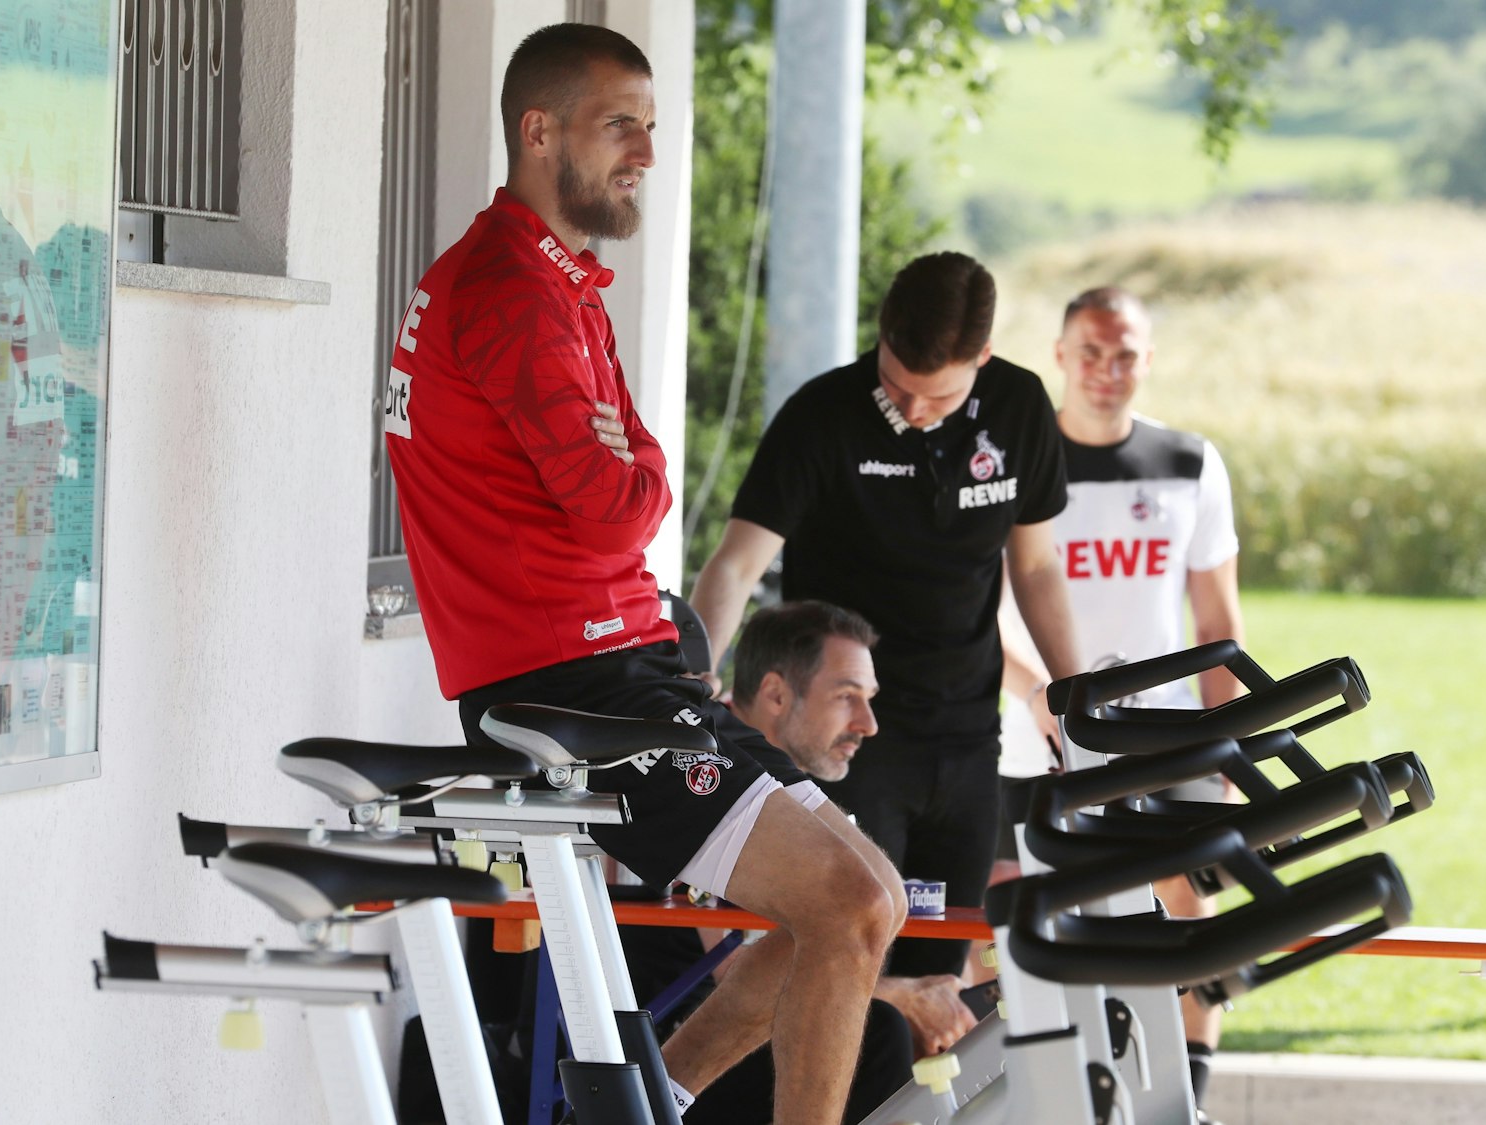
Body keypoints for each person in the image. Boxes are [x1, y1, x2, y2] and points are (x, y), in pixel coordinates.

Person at [384, 24, 903, 1122]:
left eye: (652, 127)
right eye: (620, 124)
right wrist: (641, 474)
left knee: (874, 894)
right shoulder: (510, 292)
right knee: (848, 900)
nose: (647, 154)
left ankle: (656, 1096)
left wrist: (640, 470)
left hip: (630, 665)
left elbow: (635, 470)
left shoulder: (556, 279)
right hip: (573, 683)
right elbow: (619, 505)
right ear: (539, 131)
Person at [692, 251, 1081, 979]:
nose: (912, 410)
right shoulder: (822, 414)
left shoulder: (1019, 405)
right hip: (845, 738)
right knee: (847, 963)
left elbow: (1036, 567)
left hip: (967, 735)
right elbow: (737, 563)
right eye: (897, 387)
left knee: (939, 975)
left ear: (983, 359)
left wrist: (1074, 692)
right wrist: (692, 677)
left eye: (937, 397)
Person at [992, 286, 1246, 1122]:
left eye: (1125, 354)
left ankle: (1186, 1103)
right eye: (1091, 353)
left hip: (1167, 738)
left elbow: (1218, 624)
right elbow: (978, 611)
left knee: (1193, 914)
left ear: (1148, 360)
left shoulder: (1189, 462)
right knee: (1016, 934)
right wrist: (1037, 694)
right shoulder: (1012, 463)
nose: (1107, 370)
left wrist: (1228, 753)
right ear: (1060, 356)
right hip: (1034, 740)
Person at [625, 600, 984, 1123]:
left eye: (869, 700)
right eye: (846, 696)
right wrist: (901, 996)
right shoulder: (698, 763)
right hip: (665, 1032)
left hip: (711, 1047)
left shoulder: (799, 799)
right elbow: (732, 967)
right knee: (883, 1028)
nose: (868, 723)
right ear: (775, 693)